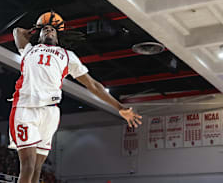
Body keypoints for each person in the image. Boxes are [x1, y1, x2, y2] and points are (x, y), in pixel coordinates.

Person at [9, 16, 142, 183]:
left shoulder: (67, 56)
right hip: (25, 108)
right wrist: (35, 28)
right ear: (39, 36)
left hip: (50, 111)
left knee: (36, 168)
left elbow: (93, 85)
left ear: (58, 37)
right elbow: (17, 31)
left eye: (52, 29)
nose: (49, 30)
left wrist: (119, 107)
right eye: (45, 29)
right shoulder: (28, 50)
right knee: (27, 165)